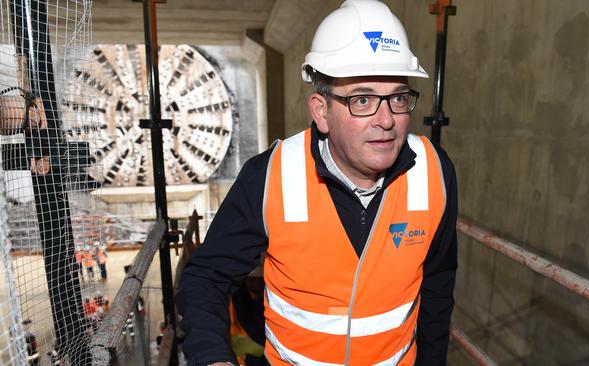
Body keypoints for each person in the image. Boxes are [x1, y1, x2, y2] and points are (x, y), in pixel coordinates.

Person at [177, 1, 458, 365]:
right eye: (363, 99)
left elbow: (438, 289)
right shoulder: (270, 177)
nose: (386, 120)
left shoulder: (434, 173)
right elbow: (206, 277)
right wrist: (214, 358)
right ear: (321, 111)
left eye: (399, 98)